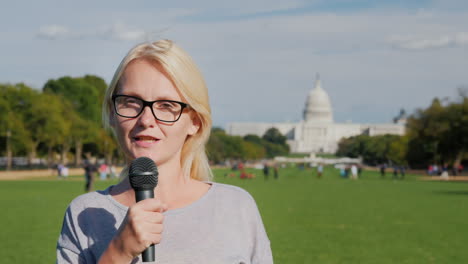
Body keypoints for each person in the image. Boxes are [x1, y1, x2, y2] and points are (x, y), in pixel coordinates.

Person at [56, 40, 273, 263]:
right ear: (112, 113)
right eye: (131, 102)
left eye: (166, 105)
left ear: (195, 122)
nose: (146, 120)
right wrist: (118, 252)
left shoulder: (235, 207)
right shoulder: (85, 214)